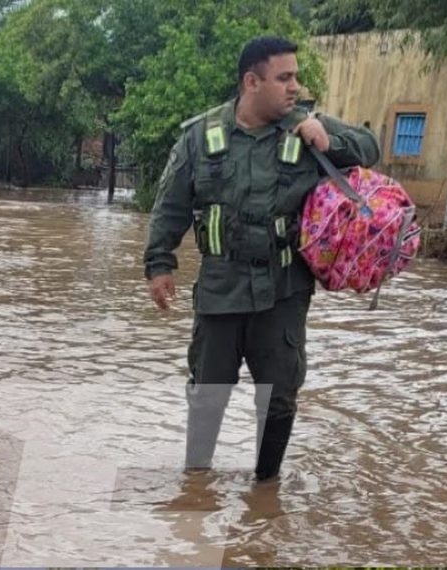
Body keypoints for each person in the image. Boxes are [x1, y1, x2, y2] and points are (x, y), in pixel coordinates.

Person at [142, 37, 380, 483]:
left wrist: (329, 140)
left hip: (283, 292)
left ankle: (265, 492)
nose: (295, 87)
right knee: (207, 392)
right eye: (284, 78)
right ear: (252, 82)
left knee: (280, 397)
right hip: (220, 290)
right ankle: (196, 484)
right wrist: (159, 265)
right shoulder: (200, 138)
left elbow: (370, 148)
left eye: (296, 77)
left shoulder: (307, 127)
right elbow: (171, 206)